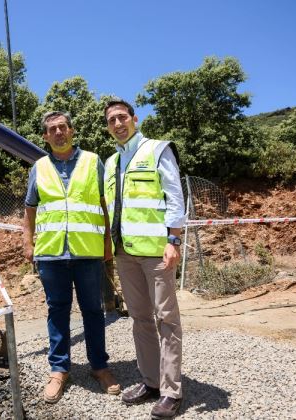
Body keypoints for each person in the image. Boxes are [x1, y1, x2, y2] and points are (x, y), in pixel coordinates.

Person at [23, 111, 120, 404]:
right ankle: (59, 370)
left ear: (72, 130)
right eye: (52, 129)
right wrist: (28, 243)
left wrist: (107, 242)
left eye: (63, 127)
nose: (59, 132)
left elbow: (105, 204)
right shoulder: (38, 167)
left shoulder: (93, 161)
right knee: (57, 311)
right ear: (45, 136)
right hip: (51, 253)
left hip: (88, 252)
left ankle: (99, 367)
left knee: (93, 311)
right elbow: (30, 208)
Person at [103, 98, 185, 419]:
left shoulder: (157, 150)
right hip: (125, 253)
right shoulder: (111, 163)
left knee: (167, 319)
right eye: (112, 120)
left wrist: (174, 239)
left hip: (156, 252)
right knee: (139, 319)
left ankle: (171, 391)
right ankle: (150, 381)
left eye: (122, 117)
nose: (118, 123)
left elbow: (175, 196)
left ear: (135, 119)